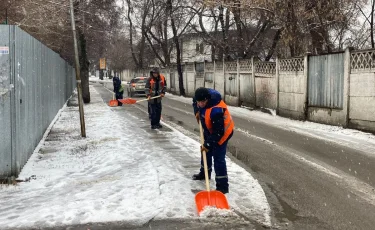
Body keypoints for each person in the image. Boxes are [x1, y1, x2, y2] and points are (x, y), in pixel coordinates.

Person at [192, 87, 234, 194]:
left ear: (207, 99)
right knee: (205, 151)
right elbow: (194, 101)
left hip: (222, 133)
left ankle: (222, 186)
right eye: (199, 102)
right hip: (209, 129)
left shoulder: (216, 110)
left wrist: (209, 143)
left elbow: (218, 132)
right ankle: (205, 173)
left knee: (218, 158)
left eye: (202, 102)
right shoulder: (200, 97)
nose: (200, 104)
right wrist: (196, 111)